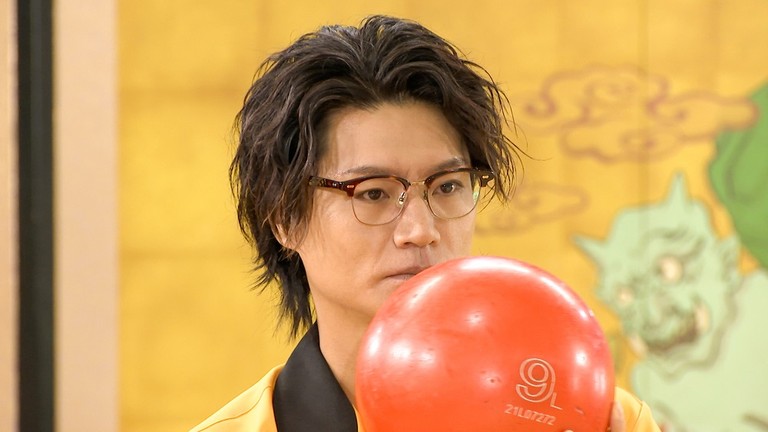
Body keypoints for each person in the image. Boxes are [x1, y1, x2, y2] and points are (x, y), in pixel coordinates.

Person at [190, 15, 660, 432]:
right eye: (373, 193)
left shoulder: (597, 419)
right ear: (284, 219)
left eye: (447, 186)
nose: (420, 229)